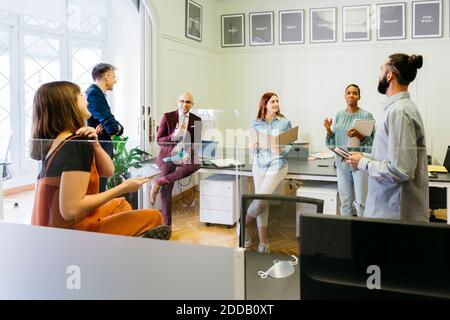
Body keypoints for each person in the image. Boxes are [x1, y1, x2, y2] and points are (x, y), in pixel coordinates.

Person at [30, 81, 171, 239]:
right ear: (68, 105)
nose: (87, 100)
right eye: (82, 96)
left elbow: (108, 171)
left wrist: (96, 145)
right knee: (155, 217)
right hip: (70, 232)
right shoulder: (75, 145)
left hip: (50, 225)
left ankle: (114, 246)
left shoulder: (59, 141)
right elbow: (70, 210)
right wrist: (123, 188)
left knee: (121, 204)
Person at [347, 54, 428, 222]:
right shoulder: (396, 109)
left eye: (381, 69)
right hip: (389, 210)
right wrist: (363, 158)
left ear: (389, 75)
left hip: (394, 213)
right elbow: (391, 158)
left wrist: (363, 163)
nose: (379, 74)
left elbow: (401, 170)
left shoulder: (400, 111)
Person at [245, 92, 293, 253]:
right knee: (262, 202)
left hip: (277, 164)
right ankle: (263, 242)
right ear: (264, 104)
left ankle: (242, 226)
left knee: (260, 200)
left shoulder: (285, 122)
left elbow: (291, 145)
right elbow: (252, 147)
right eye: (272, 101)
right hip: (259, 164)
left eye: (277, 101)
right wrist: (252, 147)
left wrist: (282, 150)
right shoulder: (256, 123)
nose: (276, 103)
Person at [151, 92, 202, 225]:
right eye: (182, 101)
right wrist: (174, 136)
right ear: (177, 102)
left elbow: (196, 143)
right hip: (168, 155)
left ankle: (160, 181)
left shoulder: (197, 120)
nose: (184, 104)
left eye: (188, 102)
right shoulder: (167, 117)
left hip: (183, 154)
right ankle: (167, 226)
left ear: (192, 104)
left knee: (196, 164)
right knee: (167, 189)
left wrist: (188, 153)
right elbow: (159, 140)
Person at [324, 84, 374, 217]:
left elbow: (371, 143)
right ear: (345, 96)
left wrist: (358, 134)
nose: (351, 95)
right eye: (348, 93)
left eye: (355, 93)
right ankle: (346, 235)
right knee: (345, 202)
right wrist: (329, 130)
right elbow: (332, 143)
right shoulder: (339, 115)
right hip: (341, 164)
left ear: (359, 97)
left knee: (361, 202)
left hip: (359, 164)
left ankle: (362, 235)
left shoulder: (366, 115)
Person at [86, 63, 124, 192]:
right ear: (107, 76)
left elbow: (111, 124)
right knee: (98, 190)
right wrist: (117, 128)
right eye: (114, 77)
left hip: (100, 147)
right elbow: (112, 126)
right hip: (98, 149)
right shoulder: (94, 94)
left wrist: (116, 127)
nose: (116, 81)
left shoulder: (96, 93)